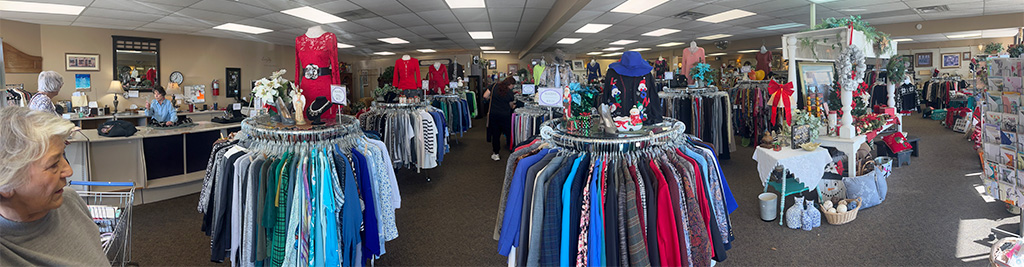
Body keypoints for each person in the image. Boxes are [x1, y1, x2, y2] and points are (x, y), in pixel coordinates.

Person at [0, 106, 109, 265]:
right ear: (6, 185)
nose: (69, 171)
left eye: (62, 156)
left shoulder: (70, 201)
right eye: (53, 164)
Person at [484, 77, 516, 161]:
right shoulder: (510, 93)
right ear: (510, 84)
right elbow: (511, 105)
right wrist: (514, 106)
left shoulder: (494, 86)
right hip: (505, 115)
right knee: (509, 133)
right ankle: (512, 152)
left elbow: (485, 95)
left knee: (495, 135)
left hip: (494, 114)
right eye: (513, 85)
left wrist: (492, 99)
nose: (513, 87)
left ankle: (496, 153)